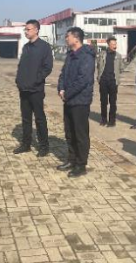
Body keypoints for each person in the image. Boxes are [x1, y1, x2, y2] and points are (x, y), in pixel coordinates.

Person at [57, 27, 96, 178]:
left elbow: (83, 80)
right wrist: (61, 89)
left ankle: (81, 164)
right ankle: (72, 159)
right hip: (68, 100)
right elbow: (62, 74)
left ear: (76, 38)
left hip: (80, 101)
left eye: (68, 36)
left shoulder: (86, 56)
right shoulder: (70, 55)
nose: (66, 39)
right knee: (69, 132)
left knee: (80, 134)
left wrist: (67, 94)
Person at [14, 20, 54, 157]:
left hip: (36, 90)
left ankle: (44, 146)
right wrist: (19, 80)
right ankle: (26, 144)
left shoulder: (44, 47)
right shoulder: (26, 47)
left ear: (36, 30)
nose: (26, 32)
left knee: (39, 118)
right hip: (24, 89)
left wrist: (36, 80)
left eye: (28, 29)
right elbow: (22, 66)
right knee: (26, 119)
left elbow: (48, 67)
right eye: (25, 29)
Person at [96, 37, 124, 127]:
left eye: (115, 44)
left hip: (113, 82)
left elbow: (121, 68)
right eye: (113, 44)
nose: (115, 46)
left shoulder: (118, 56)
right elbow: (98, 65)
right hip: (103, 81)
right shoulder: (102, 54)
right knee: (103, 102)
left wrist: (116, 75)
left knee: (113, 102)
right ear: (108, 45)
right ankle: (103, 120)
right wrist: (100, 77)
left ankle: (112, 121)